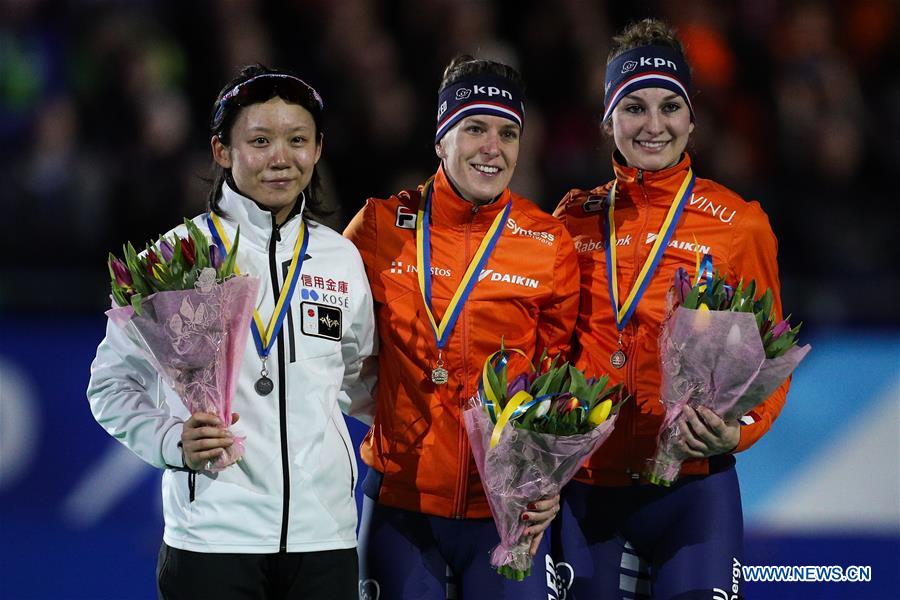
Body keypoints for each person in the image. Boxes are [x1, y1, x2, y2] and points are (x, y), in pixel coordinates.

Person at [87, 64, 376, 600]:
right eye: (260, 140)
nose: (280, 158)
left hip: (326, 537)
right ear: (223, 151)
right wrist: (172, 441)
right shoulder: (175, 258)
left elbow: (359, 378)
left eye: (297, 140)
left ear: (317, 150)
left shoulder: (340, 258)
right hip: (213, 540)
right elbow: (109, 386)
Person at [552, 19, 790, 599]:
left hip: (694, 491)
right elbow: (547, 353)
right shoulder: (571, 220)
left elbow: (770, 361)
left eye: (669, 106)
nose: (653, 125)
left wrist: (735, 432)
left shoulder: (740, 224)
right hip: (588, 490)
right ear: (608, 119)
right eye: (633, 107)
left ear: (692, 119)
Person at [344, 55, 580, 599]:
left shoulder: (548, 243)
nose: (492, 147)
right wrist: (377, 407)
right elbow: (334, 350)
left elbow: (558, 381)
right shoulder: (380, 227)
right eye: (475, 128)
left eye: (508, 132)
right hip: (400, 506)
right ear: (441, 139)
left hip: (506, 511)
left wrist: (550, 474)